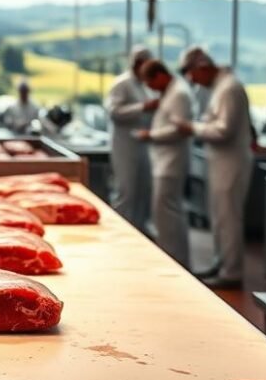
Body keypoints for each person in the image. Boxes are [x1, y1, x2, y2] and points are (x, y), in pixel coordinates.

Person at [175, 45, 253, 289]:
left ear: (203, 67)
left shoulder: (229, 88)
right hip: (220, 161)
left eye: (192, 74)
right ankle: (221, 263)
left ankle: (231, 271)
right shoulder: (220, 88)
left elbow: (224, 130)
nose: (192, 80)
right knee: (219, 218)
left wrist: (193, 128)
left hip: (231, 162)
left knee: (228, 218)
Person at [135, 60, 193, 267]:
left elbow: (179, 129)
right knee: (165, 211)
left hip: (171, 161)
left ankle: (175, 260)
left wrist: (151, 135)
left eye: (149, 82)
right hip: (164, 160)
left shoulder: (179, 94)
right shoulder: (171, 92)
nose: (150, 88)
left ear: (160, 75)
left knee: (167, 212)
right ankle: (172, 257)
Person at [106, 47, 158, 232]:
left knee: (142, 191)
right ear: (137, 64)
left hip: (142, 146)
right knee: (126, 191)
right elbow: (114, 111)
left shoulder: (144, 86)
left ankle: (138, 230)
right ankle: (118, 232)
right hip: (125, 146)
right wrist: (142, 107)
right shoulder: (122, 84)